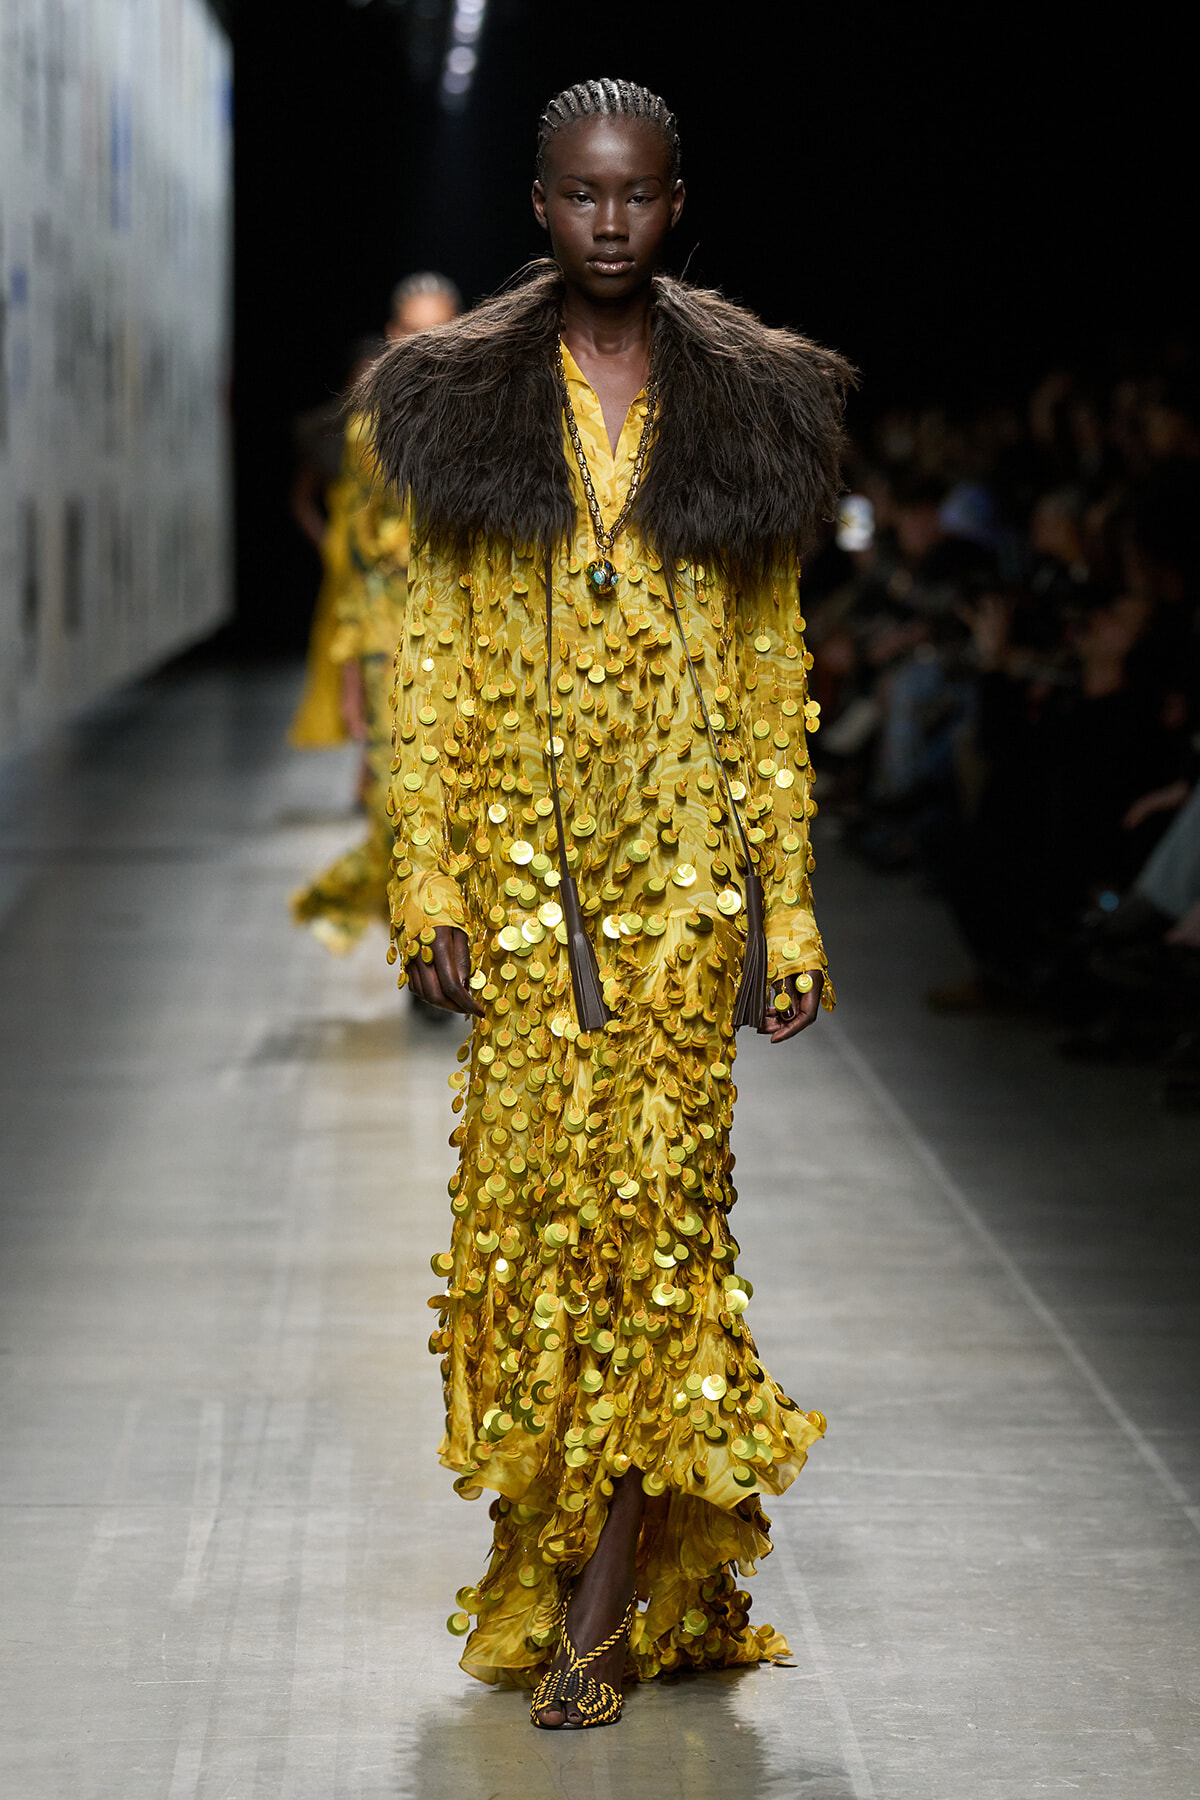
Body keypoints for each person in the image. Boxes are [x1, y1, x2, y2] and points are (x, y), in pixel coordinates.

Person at [360, 79, 853, 1727]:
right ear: (540, 204)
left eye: (637, 193)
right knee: (526, 1236)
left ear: (677, 198)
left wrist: (787, 910)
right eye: (583, 194)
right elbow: (427, 664)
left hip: (680, 890)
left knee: (657, 1231)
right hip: (518, 880)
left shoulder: (751, 409)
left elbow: (772, 669)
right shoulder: (464, 404)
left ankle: (600, 1597)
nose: (612, 221)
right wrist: (427, 873)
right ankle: (571, 1558)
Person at [290, 276, 462, 954]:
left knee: (467, 803)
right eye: (413, 334)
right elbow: (358, 565)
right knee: (399, 800)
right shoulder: (366, 433)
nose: (426, 347)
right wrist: (355, 680)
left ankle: (453, 935)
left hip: (478, 638)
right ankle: (423, 941)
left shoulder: (489, 424)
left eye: (439, 332)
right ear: (394, 338)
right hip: (392, 641)